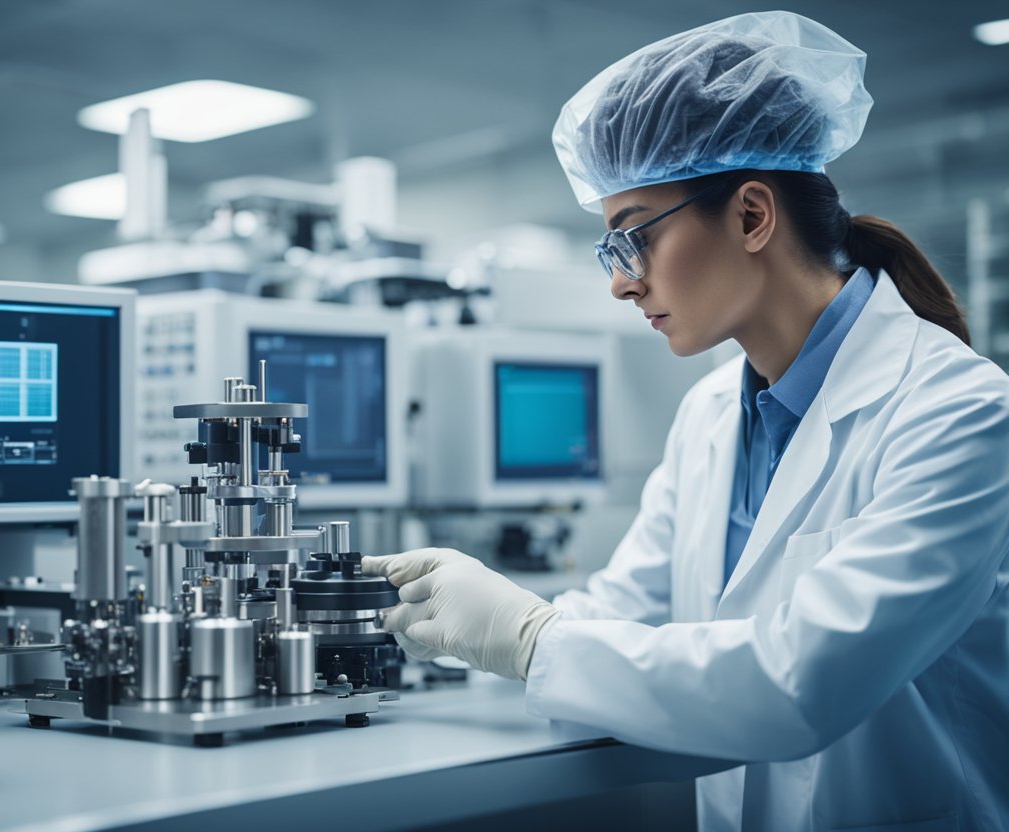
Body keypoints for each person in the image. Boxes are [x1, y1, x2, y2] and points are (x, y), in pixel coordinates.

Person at [362, 11, 1009, 832]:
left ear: (750, 217)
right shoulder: (710, 412)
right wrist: (455, 618)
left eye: (631, 239)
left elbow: (803, 681)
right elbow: (630, 610)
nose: (621, 286)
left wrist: (531, 639)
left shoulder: (955, 409)